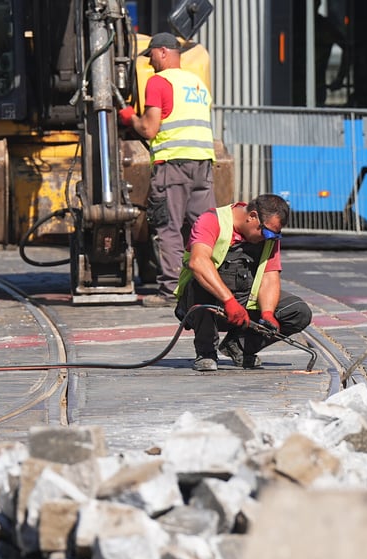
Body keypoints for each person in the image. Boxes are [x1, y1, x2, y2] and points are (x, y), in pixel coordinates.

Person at [119, 32, 217, 308]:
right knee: (203, 229)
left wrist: (128, 117)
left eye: (151, 55)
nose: (149, 62)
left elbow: (149, 129)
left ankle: (170, 290)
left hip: (173, 164)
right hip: (203, 163)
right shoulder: (197, 84)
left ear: (163, 52)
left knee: (169, 229)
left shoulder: (158, 82)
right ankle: (208, 284)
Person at [173, 194, 313, 372]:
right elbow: (198, 262)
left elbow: (269, 277)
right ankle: (206, 352)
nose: (269, 238)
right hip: (205, 304)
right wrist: (228, 301)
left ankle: (238, 346)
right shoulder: (212, 220)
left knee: (298, 312)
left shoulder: (269, 238)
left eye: (274, 235)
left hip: (243, 303)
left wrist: (268, 313)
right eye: (267, 233)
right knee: (200, 284)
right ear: (252, 216)